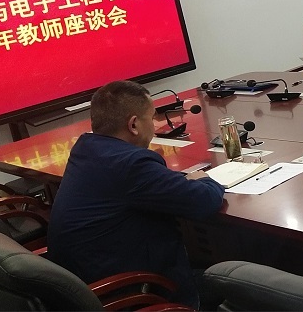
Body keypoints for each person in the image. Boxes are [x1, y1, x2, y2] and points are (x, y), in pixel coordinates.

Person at [48, 80, 225, 309]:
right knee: (233, 283)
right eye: (152, 118)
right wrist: (205, 179)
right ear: (133, 125)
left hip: (86, 288)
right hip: (135, 294)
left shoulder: (87, 149)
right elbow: (203, 202)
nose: (155, 124)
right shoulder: (131, 164)